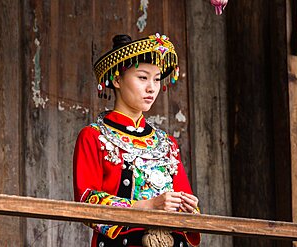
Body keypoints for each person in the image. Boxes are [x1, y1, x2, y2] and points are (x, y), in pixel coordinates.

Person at [73, 33, 201, 247]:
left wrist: (189, 208)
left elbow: (188, 205)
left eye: (157, 79)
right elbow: (87, 203)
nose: (151, 87)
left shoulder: (167, 144)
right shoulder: (94, 136)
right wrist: (148, 205)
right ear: (116, 80)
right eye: (142, 77)